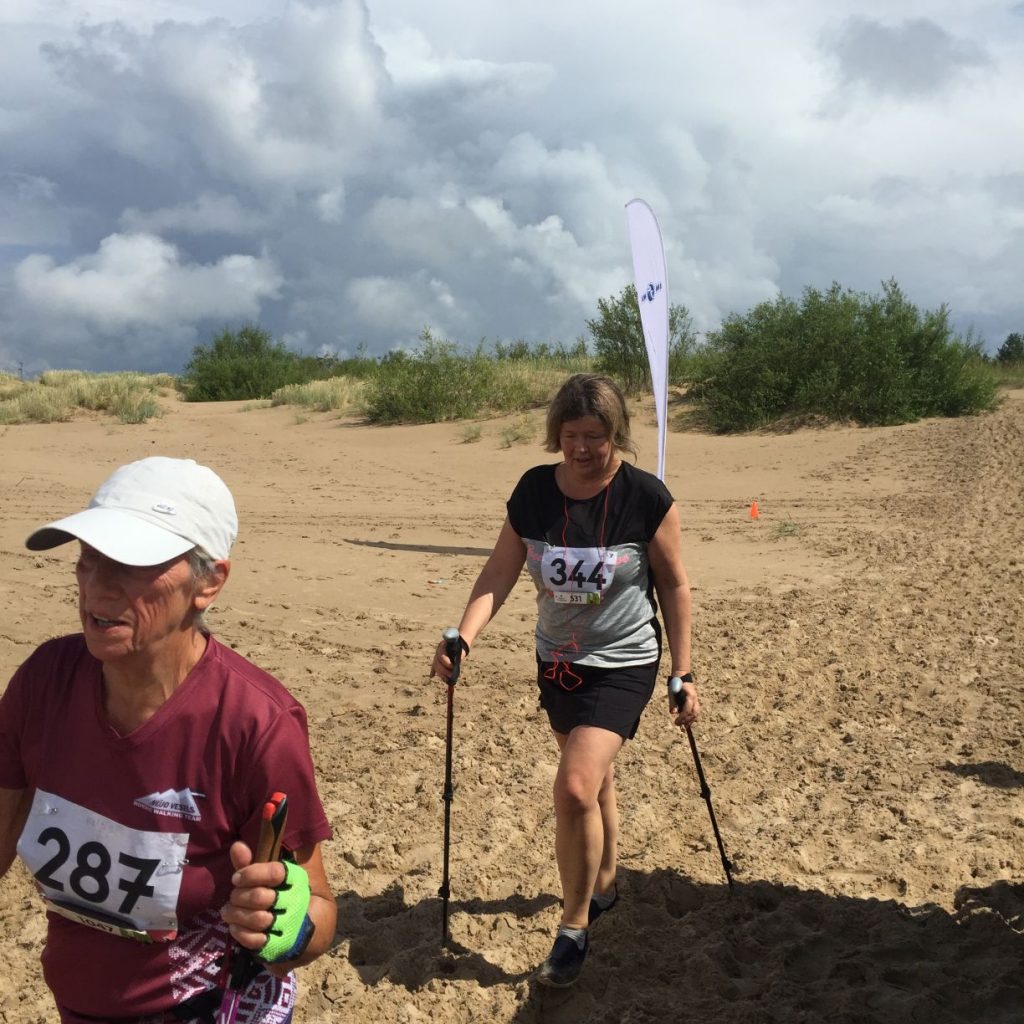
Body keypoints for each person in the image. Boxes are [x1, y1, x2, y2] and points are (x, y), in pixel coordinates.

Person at [0, 456, 336, 1023]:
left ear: (209, 582)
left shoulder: (257, 724)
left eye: (131, 562)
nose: (97, 585)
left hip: (210, 1006)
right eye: (89, 556)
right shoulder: (44, 683)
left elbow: (318, 911)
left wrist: (287, 927)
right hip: (79, 1003)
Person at [430, 373, 698, 988]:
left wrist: (683, 671)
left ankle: (574, 928)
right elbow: (498, 574)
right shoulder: (533, 492)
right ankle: (604, 884)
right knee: (593, 783)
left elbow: (675, 585)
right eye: (572, 435)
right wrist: (463, 636)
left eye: (596, 436)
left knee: (575, 786)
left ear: (616, 434)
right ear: (557, 433)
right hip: (558, 664)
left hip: (625, 662)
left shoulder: (646, 497)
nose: (582, 448)